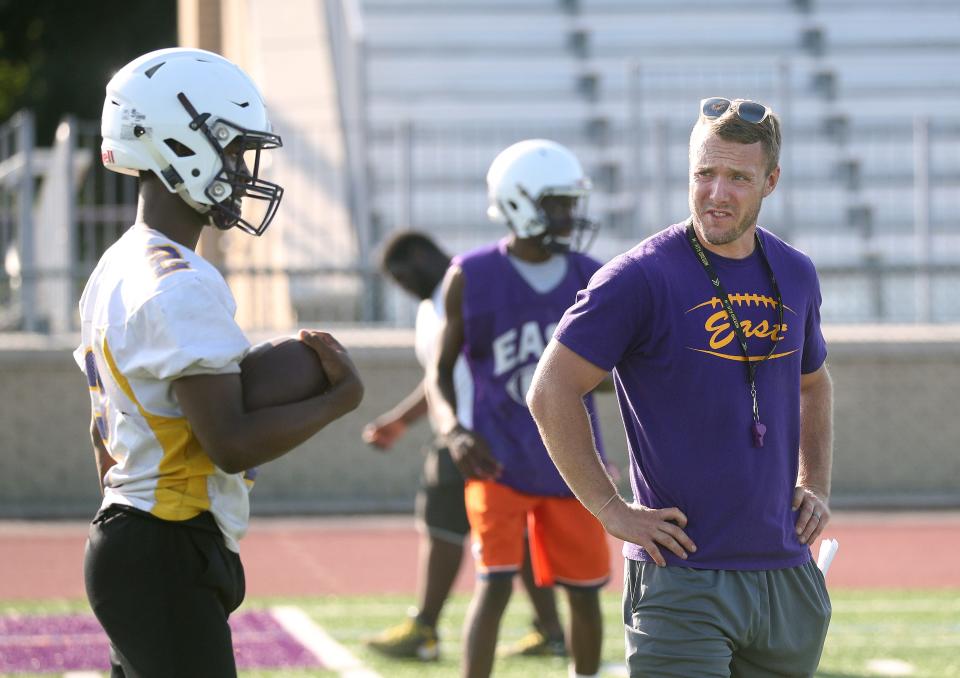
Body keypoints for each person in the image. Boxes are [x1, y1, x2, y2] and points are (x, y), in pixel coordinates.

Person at [75, 47, 363, 677]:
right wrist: (339, 400)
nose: (241, 168)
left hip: (136, 537)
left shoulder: (118, 266)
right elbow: (229, 443)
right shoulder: (181, 282)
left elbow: (104, 436)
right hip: (163, 543)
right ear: (179, 145)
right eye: (231, 150)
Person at [528, 97, 834, 677]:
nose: (716, 193)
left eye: (738, 178)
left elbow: (814, 385)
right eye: (704, 173)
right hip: (682, 579)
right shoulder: (638, 276)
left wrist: (813, 482)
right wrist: (608, 508)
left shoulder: (795, 271)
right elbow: (550, 392)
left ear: (770, 181)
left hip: (785, 575)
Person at [426, 139, 610, 678]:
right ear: (518, 202)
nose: (568, 216)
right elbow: (438, 373)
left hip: (574, 463)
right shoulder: (471, 275)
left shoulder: (591, 274)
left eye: (569, 204)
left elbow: (614, 373)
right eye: (556, 204)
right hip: (498, 458)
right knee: (495, 586)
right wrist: (452, 430)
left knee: (584, 594)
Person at [362, 231, 568, 661]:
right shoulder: (431, 305)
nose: (402, 286)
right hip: (462, 429)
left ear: (419, 256)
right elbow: (438, 375)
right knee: (516, 536)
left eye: (401, 276)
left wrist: (455, 430)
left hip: (476, 433)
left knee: (442, 528)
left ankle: (425, 628)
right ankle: (551, 631)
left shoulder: (467, 286)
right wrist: (402, 420)